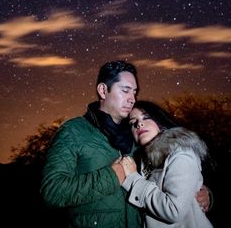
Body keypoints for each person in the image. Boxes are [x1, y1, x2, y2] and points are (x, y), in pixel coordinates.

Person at [40, 61, 211, 227]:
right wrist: (113, 176)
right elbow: (51, 192)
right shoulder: (73, 131)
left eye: (134, 92)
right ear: (103, 90)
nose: (132, 99)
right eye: (125, 91)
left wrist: (200, 196)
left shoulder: (141, 136)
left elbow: (169, 178)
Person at [119, 100, 214, 228]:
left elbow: (173, 210)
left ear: (160, 121)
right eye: (132, 122)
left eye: (146, 117)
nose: (139, 124)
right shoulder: (142, 159)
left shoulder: (181, 153)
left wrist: (133, 180)